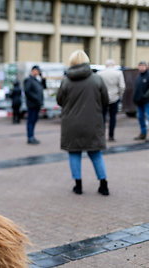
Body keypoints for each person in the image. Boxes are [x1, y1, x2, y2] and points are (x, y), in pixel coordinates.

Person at [57, 50, 110, 196]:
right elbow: (105, 100)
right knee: (96, 153)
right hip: (93, 123)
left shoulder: (66, 80)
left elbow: (60, 100)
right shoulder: (96, 79)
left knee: (74, 153)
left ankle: (78, 185)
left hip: (71, 124)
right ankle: (103, 184)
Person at [98, 59, 125, 141]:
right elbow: (122, 86)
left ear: (106, 65)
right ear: (113, 65)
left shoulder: (100, 74)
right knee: (113, 117)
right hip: (115, 97)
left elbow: (98, 86)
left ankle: (101, 135)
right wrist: (119, 95)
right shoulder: (118, 73)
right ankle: (111, 135)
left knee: (102, 117)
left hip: (103, 98)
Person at [24, 65, 44, 144]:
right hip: (32, 104)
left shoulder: (36, 80)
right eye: (37, 70)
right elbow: (27, 92)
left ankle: (32, 136)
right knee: (31, 121)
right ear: (32, 70)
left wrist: (42, 78)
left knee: (34, 120)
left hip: (37, 104)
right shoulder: (29, 80)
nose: (38, 72)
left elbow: (43, 87)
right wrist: (36, 98)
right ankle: (30, 137)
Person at [133, 61, 149, 141]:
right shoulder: (138, 77)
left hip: (147, 101)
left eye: (143, 66)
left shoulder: (148, 75)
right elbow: (136, 89)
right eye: (140, 66)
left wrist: (145, 96)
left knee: (148, 117)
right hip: (139, 101)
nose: (141, 68)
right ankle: (143, 133)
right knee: (140, 117)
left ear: (146, 67)